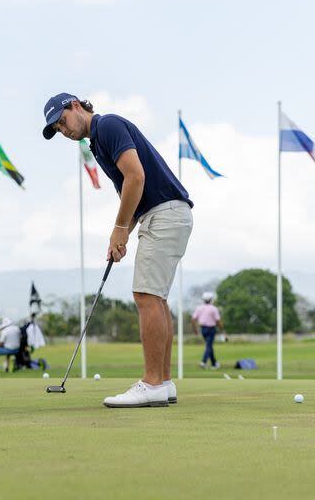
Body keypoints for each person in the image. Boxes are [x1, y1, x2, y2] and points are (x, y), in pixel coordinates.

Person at [42, 93, 193, 408]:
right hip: (167, 213)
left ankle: (152, 383)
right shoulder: (96, 143)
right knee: (156, 297)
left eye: (62, 121)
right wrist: (120, 237)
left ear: (75, 106)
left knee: (146, 296)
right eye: (57, 129)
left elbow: (136, 177)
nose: (63, 130)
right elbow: (132, 193)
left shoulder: (107, 125)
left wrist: (120, 229)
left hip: (164, 213)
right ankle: (163, 382)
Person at [192, 292, 224, 369]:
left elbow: (193, 319)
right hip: (211, 329)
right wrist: (222, 329)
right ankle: (203, 362)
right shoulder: (214, 309)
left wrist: (195, 329)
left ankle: (214, 363)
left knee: (209, 345)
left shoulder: (199, 308)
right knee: (209, 346)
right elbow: (218, 321)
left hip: (203, 329)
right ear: (211, 300)